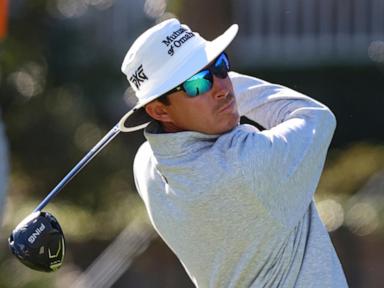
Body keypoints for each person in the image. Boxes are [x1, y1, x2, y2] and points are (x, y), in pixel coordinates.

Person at [120, 18, 348, 287]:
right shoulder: (246, 162)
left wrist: (203, 82)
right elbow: (316, 117)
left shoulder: (146, 166)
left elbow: (161, 136)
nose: (222, 88)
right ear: (159, 110)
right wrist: (228, 83)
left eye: (221, 66)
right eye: (197, 84)